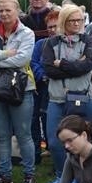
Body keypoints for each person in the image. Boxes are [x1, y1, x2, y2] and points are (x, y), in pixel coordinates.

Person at [42, 4, 92, 183]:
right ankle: (61, 176)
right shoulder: (51, 43)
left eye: (79, 20)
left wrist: (62, 64)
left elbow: (87, 66)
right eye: (72, 20)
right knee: (55, 142)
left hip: (83, 98)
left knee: (83, 141)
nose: (76, 23)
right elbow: (49, 70)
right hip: (57, 99)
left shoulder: (88, 40)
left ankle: (82, 179)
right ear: (63, 21)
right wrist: (75, 65)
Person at [0, 0, 37, 183]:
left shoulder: (27, 33)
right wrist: (6, 54)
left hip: (21, 88)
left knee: (24, 134)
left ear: (17, 11)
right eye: (0, 10)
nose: (4, 14)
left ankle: (29, 174)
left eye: (8, 10)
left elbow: (22, 59)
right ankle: (5, 175)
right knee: (2, 135)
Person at [30, 9, 58, 165]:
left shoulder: (66, 44)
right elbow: (33, 62)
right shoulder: (41, 44)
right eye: (50, 26)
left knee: (51, 121)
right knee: (35, 119)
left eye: (55, 26)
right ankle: (35, 154)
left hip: (58, 90)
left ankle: (56, 159)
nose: (52, 29)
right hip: (40, 88)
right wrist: (43, 75)